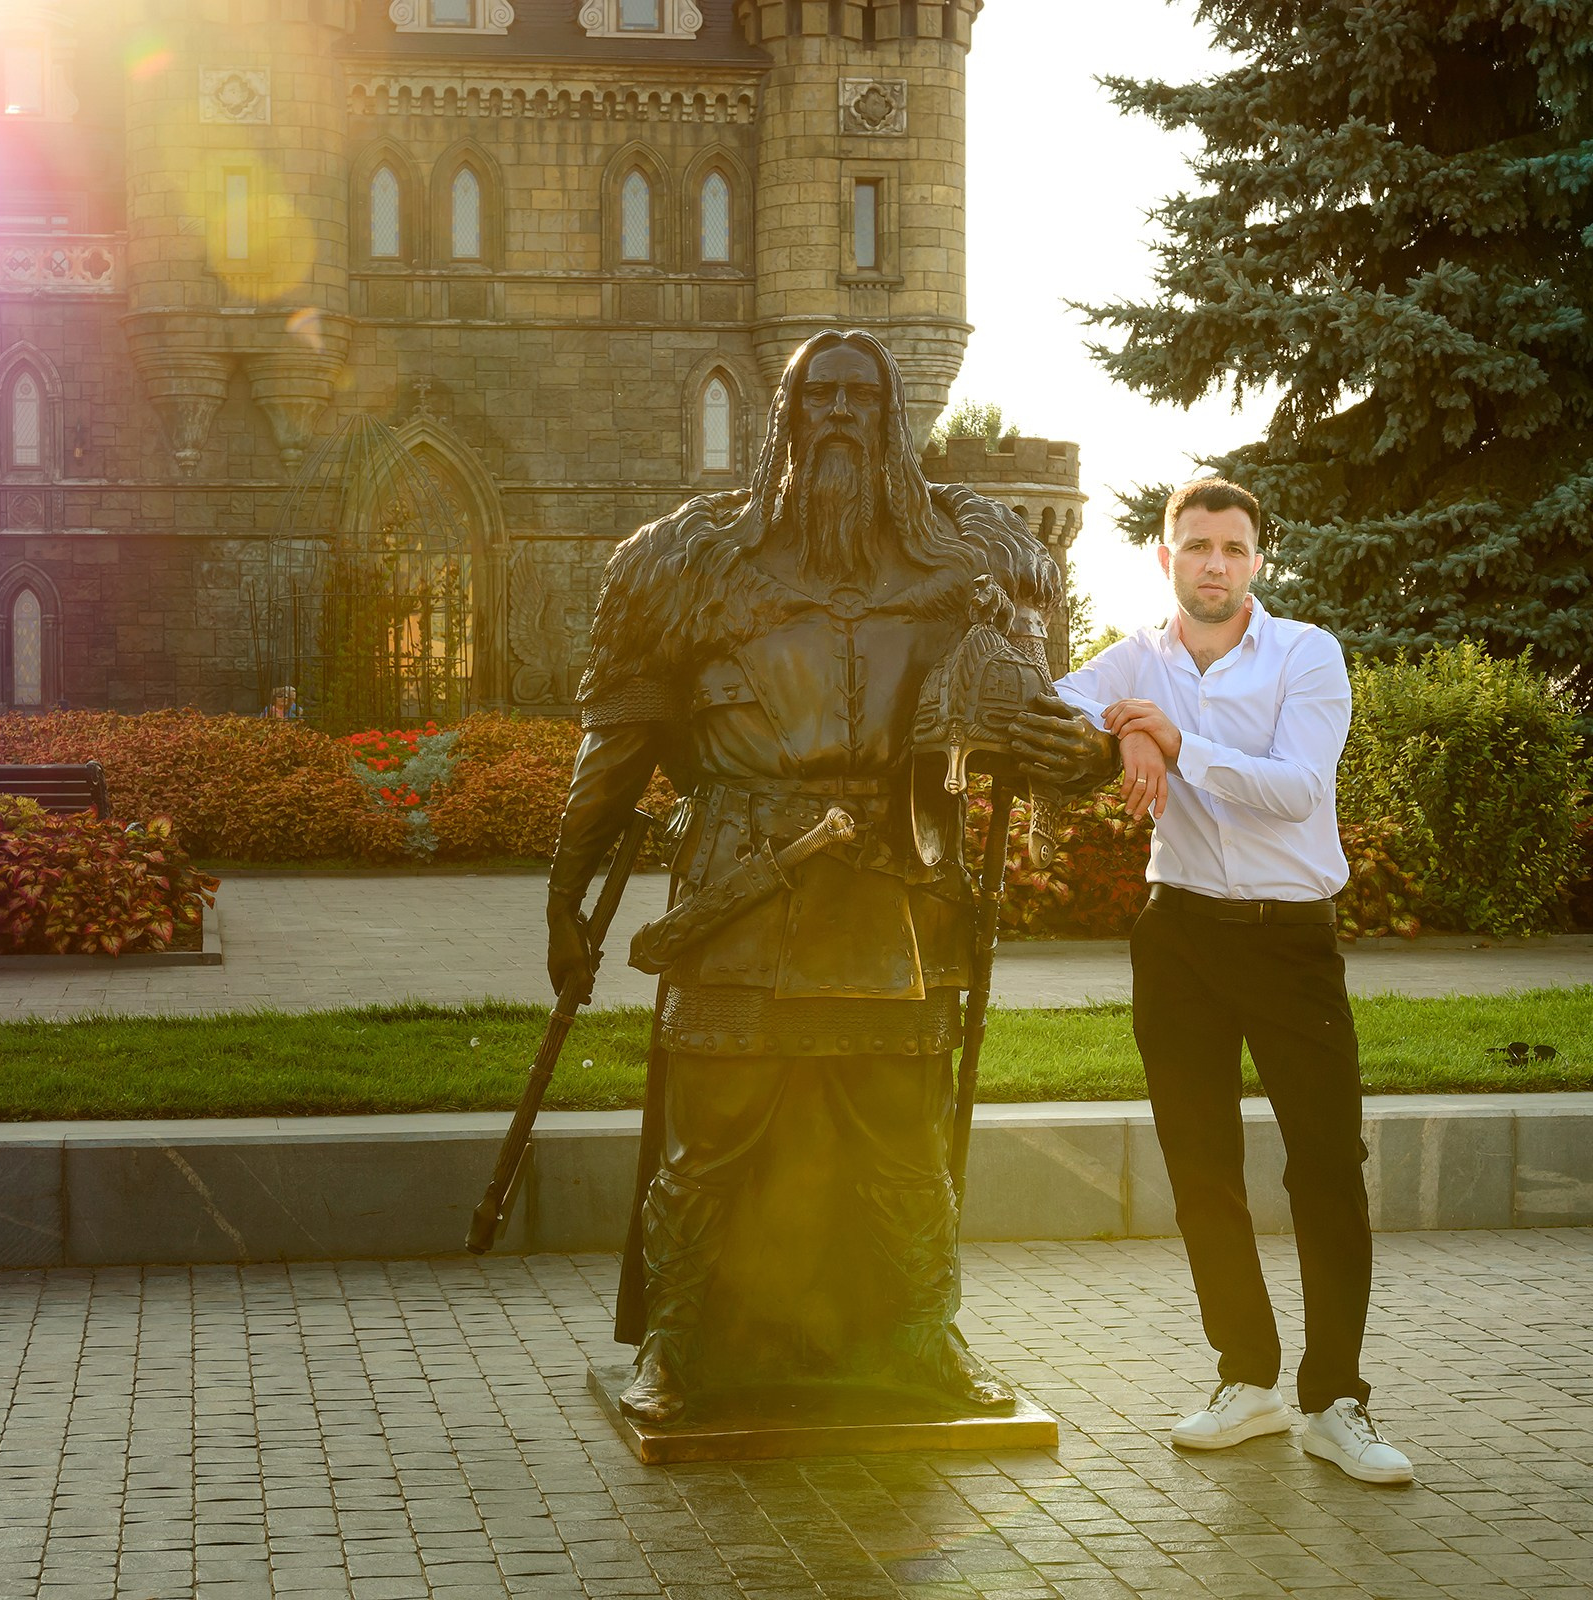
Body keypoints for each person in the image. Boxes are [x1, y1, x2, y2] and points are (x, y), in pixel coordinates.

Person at [548, 330, 1114, 1427]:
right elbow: (614, 742)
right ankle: (679, 1344)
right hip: (741, 885)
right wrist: (562, 896)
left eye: (864, 397)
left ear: (893, 421)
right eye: (822, 397)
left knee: (903, 1134)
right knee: (709, 1136)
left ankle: (922, 1341)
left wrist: (1077, 757)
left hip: (895, 889)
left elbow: (1031, 724)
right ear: (787, 418)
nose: (841, 415)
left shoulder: (965, 568)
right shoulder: (691, 562)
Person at [1012, 477, 1412, 1486]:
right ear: (1165, 557)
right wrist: (1126, 729)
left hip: (1291, 942)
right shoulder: (1138, 657)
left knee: (1326, 1166)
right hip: (1179, 936)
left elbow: (1295, 788)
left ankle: (1336, 1400)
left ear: (1258, 561)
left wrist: (1174, 739)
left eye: (1233, 548)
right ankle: (1249, 1380)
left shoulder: (1306, 654)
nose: (1215, 565)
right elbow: (1050, 708)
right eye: (1196, 546)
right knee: (1201, 1172)